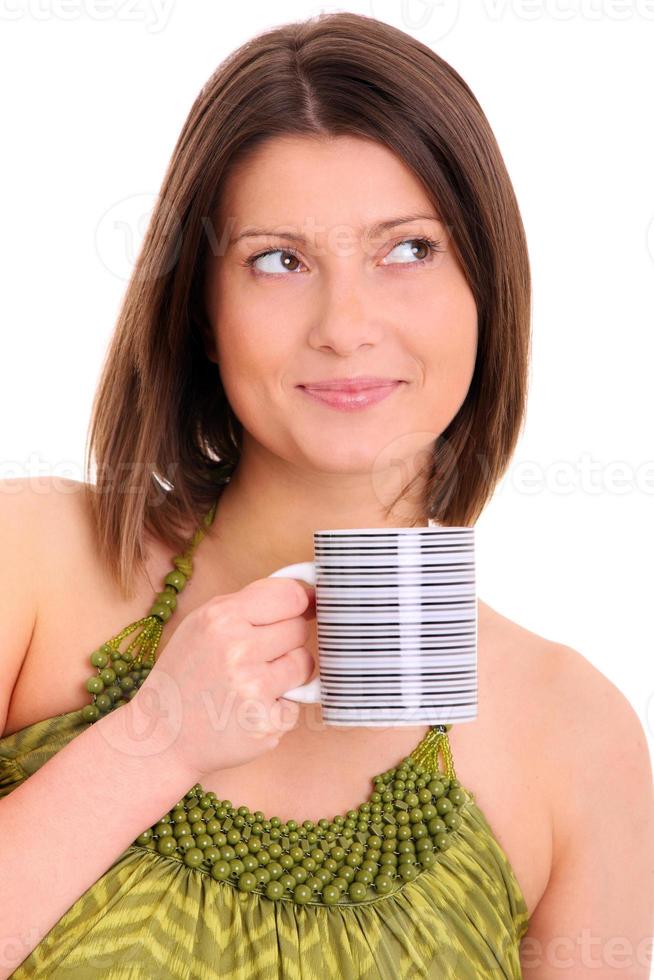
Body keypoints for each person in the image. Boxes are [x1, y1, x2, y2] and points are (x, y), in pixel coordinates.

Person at [1, 11, 652, 979]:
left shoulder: (576, 730)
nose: (346, 325)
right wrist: (153, 740)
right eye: (278, 259)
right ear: (204, 314)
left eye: (408, 250)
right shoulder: (37, 557)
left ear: (488, 286)